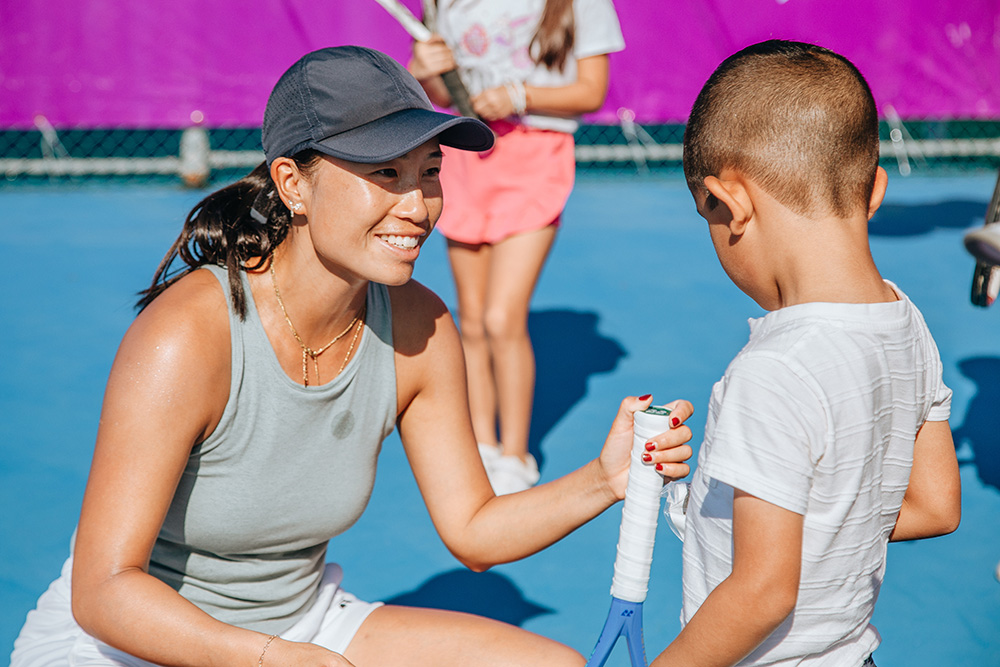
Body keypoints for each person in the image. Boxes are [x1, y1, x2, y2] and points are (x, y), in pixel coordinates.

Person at [10, 46, 694, 667]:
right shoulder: (185, 336)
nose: (417, 205)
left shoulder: (420, 324)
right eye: (383, 173)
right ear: (293, 183)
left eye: (429, 172)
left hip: (301, 628)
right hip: (127, 642)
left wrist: (605, 479)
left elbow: (475, 530)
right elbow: (102, 592)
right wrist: (268, 658)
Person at [650, 40, 962, 667]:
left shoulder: (771, 371)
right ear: (873, 189)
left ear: (731, 203)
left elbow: (763, 591)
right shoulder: (907, 323)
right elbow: (934, 505)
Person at [407, 0, 625, 494]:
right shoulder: (444, 3)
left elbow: (591, 90)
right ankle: (482, 444)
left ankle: (514, 454)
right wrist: (423, 74)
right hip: (465, 156)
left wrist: (518, 95)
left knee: (504, 317)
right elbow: (443, 91)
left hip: (535, 159)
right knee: (475, 318)